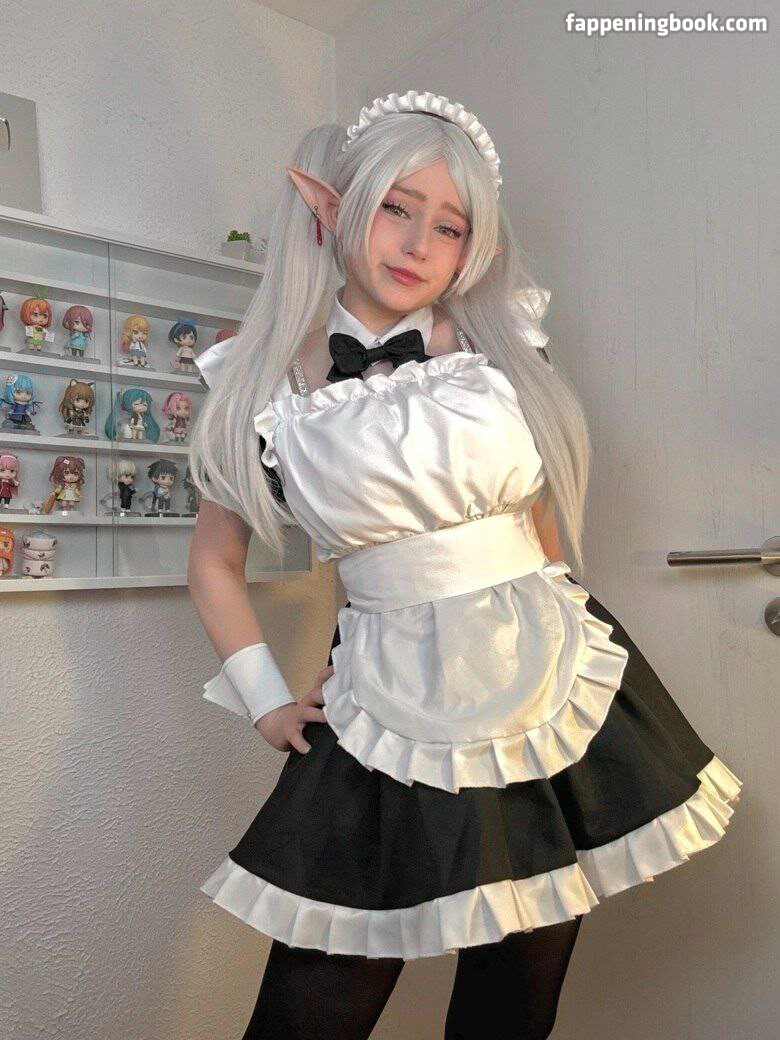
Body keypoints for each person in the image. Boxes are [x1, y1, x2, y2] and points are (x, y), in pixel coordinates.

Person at [186, 90, 742, 1039]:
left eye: (448, 226)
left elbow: (541, 518)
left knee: (515, 1001)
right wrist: (268, 702)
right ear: (332, 208)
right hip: (384, 693)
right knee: (310, 1002)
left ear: (472, 248)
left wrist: (571, 633)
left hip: (548, 682)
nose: (417, 244)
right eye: (396, 208)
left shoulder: (503, 347)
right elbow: (213, 563)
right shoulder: (264, 382)